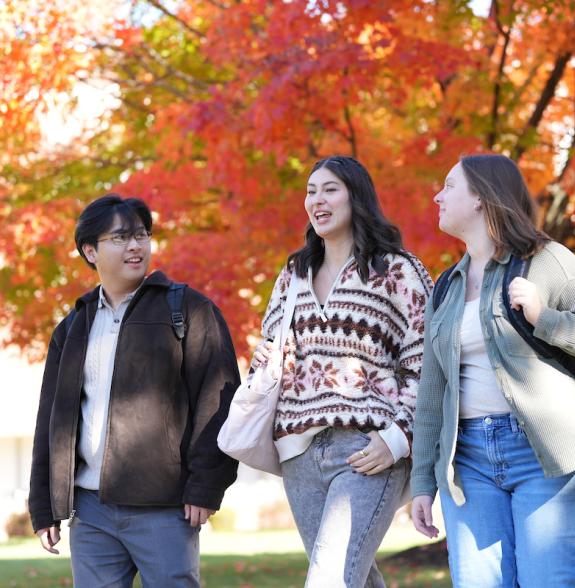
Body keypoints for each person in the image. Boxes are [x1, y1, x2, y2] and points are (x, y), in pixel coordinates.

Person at [28, 194, 240, 588]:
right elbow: (53, 422)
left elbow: (220, 401)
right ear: (90, 251)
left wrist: (206, 486)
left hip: (165, 508)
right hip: (90, 512)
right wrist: (44, 505)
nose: (136, 246)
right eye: (120, 237)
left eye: (142, 235)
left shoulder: (189, 310)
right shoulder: (73, 326)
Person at [251, 155, 432, 587]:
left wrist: (397, 439)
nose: (317, 200)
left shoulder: (397, 271)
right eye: (311, 191)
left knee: (328, 580)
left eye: (330, 189)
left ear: (357, 197)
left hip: (367, 451)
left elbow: (428, 366)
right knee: (356, 579)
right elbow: (269, 357)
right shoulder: (293, 274)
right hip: (299, 454)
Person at [410, 154, 575, 587]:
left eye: (450, 186)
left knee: (550, 580)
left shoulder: (548, 260)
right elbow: (433, 391)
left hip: (546, 455)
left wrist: (545, 318)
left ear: (481, 198)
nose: (438, 195)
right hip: (467, 462)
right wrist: (421, 481)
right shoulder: (445, 287)